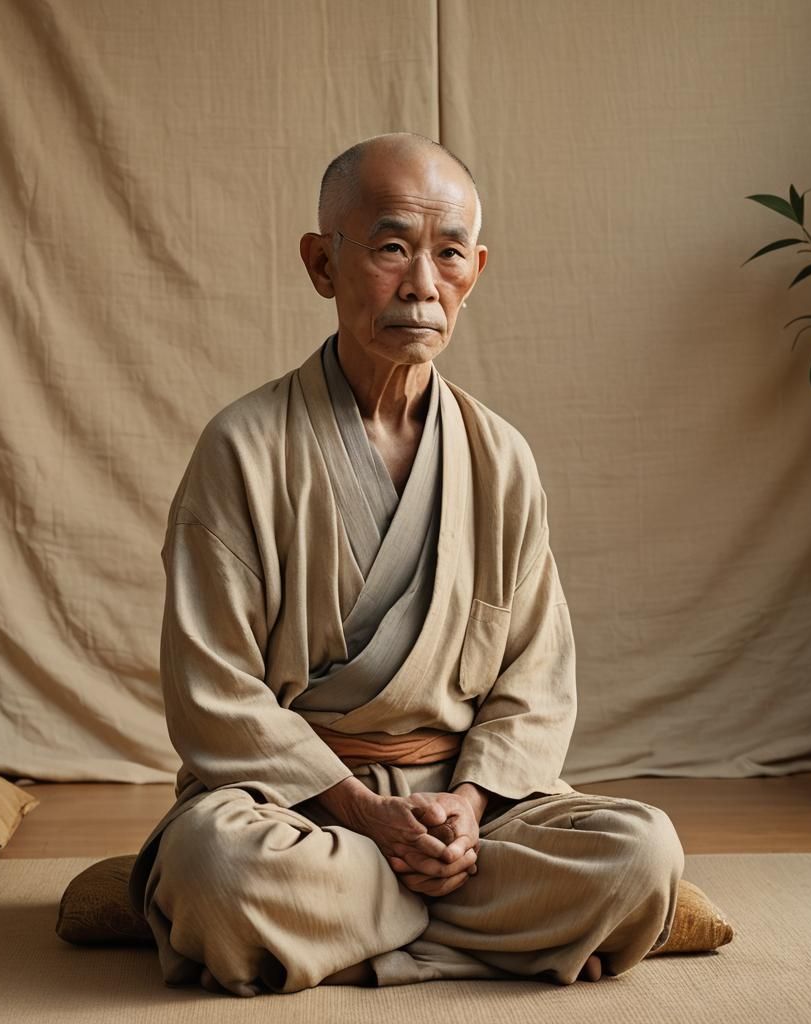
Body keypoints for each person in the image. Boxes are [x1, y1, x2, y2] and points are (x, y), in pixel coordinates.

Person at [128, 132, 685, 998]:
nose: (422, 283)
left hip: (467, 814)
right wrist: (362, 812)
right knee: (217, 868)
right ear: (322, 263)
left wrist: (463, 810)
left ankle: (346, 937)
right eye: (391, 248)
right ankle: (468, 934)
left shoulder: (501, 458)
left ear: (476, 271)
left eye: (448, 254)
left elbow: (537, 681)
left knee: (641, 853)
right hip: (301, 807)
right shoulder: (242, 447)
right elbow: (213, 692)